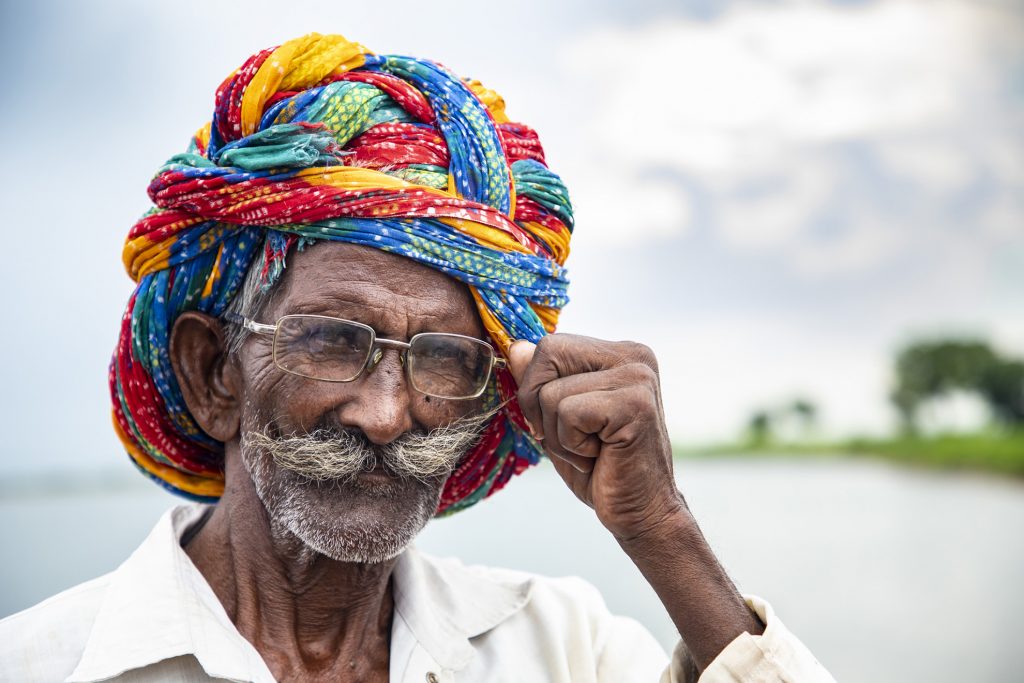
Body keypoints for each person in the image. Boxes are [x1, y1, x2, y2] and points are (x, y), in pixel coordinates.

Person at [0, 33, 835, 682]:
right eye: (332, 340)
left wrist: (662, 531)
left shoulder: (564, 646)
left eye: (445, 359)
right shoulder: (40, 663)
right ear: (214, 372)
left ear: (489, 397)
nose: (388, 412)